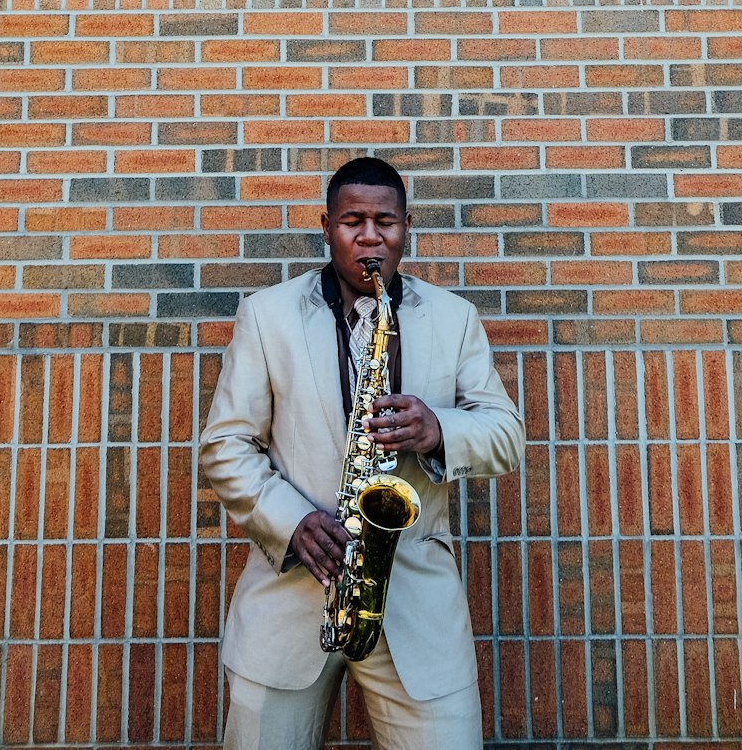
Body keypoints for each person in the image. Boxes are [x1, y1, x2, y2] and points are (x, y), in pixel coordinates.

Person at [199, 156, 525, 750]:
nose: (370, 235)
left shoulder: (454, 319)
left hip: (416, 612)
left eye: (385, 221)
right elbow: (225, 445)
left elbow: (506, 434)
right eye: (352, 220)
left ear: (406, 227)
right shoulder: (267, 315)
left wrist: (437, 430)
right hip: (293, 598)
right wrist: (292, 522)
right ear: (326, 226)